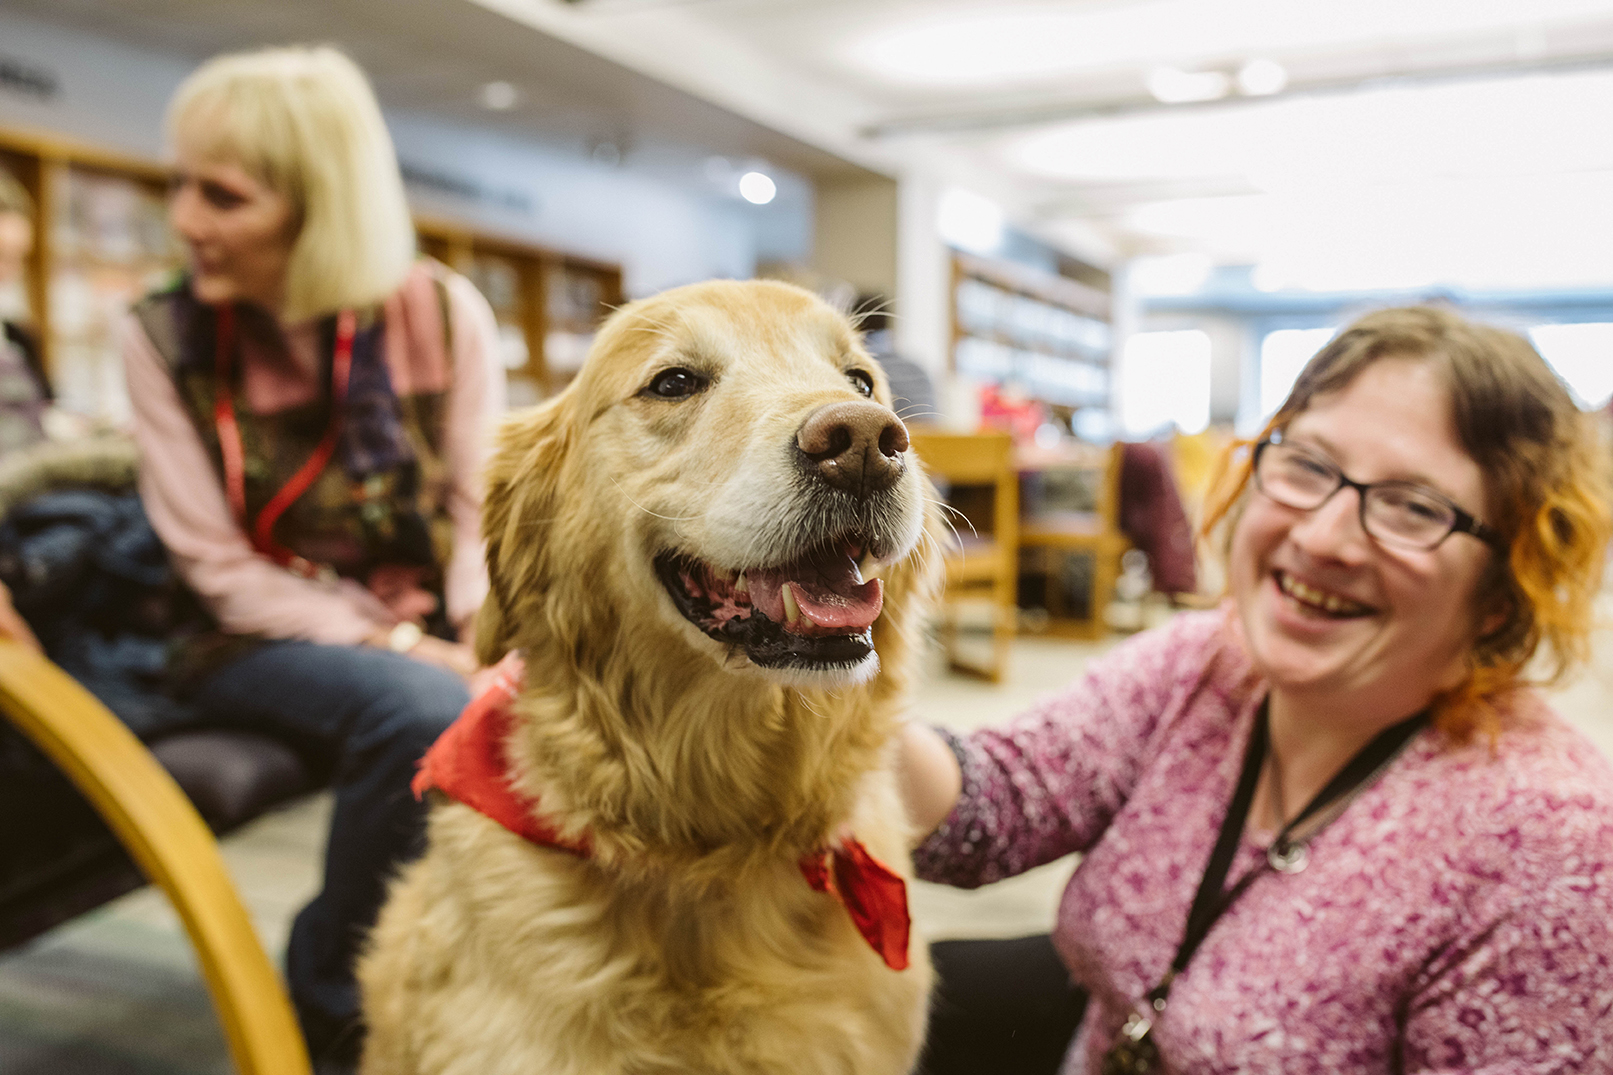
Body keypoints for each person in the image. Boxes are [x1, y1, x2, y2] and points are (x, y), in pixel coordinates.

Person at [901, 306, 1613, 1073]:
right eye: (1307, 466)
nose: (1320, 537)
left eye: (1412, 507)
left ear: (1506, 585)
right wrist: (832, 704)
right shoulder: (1209, 659)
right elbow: (994, 807)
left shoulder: (1555, 857)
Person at [120, 46, 504, 1070]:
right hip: (243, 633)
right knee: (422, 709)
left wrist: (484, 633)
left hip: (426, 611)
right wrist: (405, 646)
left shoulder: (442, 311)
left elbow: (478, 506)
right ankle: (332, 991)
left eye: (222, 195)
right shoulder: (160, 336)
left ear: (319, 205)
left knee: (536, 693)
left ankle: (477, 967)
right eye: (179, 185)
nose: (184, 220)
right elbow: (216, 566)